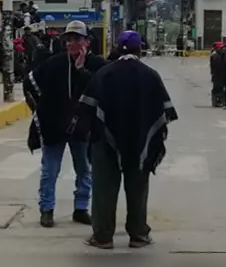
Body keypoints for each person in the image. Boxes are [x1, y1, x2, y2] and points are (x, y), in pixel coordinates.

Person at [74, 31, 178, 250]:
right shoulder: (150, 75)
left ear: (117, 47)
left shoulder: (104, 74)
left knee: (104, 189)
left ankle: (103, 236)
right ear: (139, 48)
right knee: (138, 188)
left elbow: (87, 109)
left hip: (105, 141)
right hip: (141, 142)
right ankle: (138, 234)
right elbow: (163, 114)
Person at [24, 20, 105, 228]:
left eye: (77, 39)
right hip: (54, 127)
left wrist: (82, 72)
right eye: (68, 40)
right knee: (50, 170)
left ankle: (81, 208)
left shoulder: (97, 65)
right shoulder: (54, 63)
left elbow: (103, 91)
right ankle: (47, 209)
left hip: (83, 127)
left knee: (85, 170)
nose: (72, 44)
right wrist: (42, 110)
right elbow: (30, 82)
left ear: (87, 41)